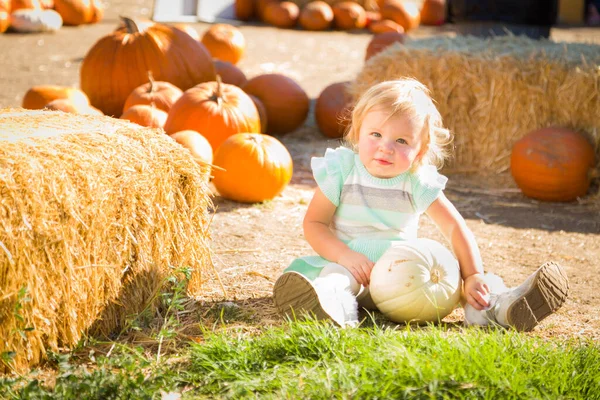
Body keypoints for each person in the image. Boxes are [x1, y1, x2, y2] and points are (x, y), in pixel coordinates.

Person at [272, 78, 569, 330]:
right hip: (352, 269)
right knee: (335, 278)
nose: (385, 147)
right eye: (375, 134)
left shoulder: (417, 181)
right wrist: (345, 256)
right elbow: (315, 224)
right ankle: (331, 308)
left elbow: (454, 228)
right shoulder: (341, 170)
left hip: (407, 276)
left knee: (458, 282)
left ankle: (500, 307)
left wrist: (473, 275)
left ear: (420, 149)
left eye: (401, 141)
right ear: (357, 132)